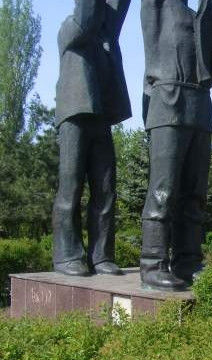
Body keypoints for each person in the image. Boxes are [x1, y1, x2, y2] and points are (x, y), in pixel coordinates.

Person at [139, 0, 212, 291]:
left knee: (195, 193)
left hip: (200, 105)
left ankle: (188, 261)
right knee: (163, 190)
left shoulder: (202, 17)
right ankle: (153, 263)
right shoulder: (158, 8)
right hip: (168, 100)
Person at [52, 0, 132, 276]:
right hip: (74, 114)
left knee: (106, 189)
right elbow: (88, 13)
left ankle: (101, 256)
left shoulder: (105, 40)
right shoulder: (71, 28)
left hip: (100, 117)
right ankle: (67, 255)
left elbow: (116, 11)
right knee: (71, 186)